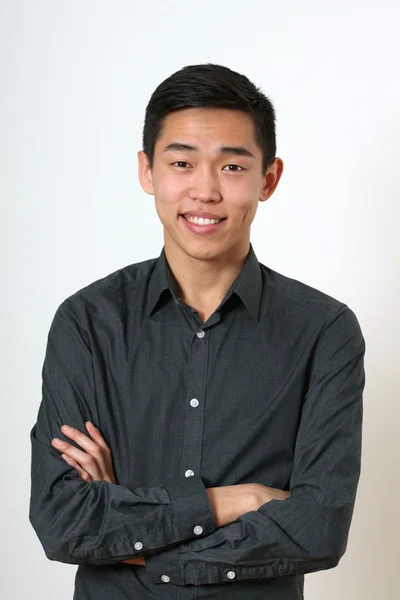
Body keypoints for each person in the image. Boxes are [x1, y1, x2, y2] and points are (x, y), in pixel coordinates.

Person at [29, 63, 366, 600]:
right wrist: (231, 503)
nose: (204, 190)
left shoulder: (324, 331)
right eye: (182, 162)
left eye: (232, 167)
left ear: (268, 178)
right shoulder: (87, 323)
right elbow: (63, 521)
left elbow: (317, 529)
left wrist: (131, 528)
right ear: (147, 172)